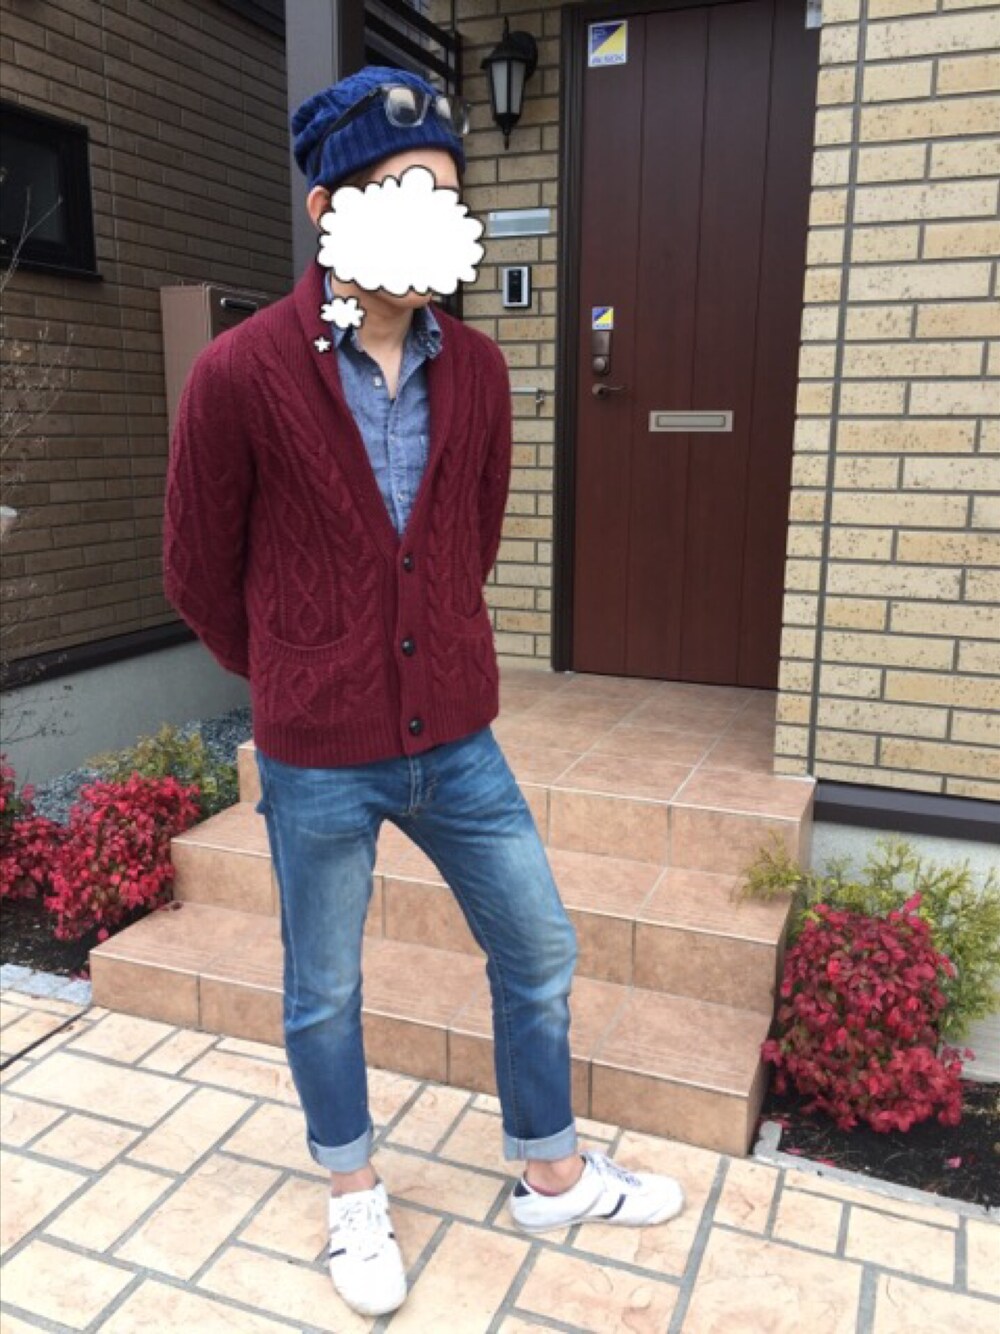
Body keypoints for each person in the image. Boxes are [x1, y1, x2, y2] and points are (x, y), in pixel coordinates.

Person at [162, 65, 684, 1321]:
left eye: (445, 197)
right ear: (328, 210)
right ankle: (353, 1191)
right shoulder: (238, 373)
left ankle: (550, 1170)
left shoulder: (481, 372)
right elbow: (196, 568)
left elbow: (468, 540)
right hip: (316, 751)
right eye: (400, 192)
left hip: (454, 736)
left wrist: (422, 642)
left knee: (537, 943)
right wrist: (296, 667)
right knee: (324, 985)